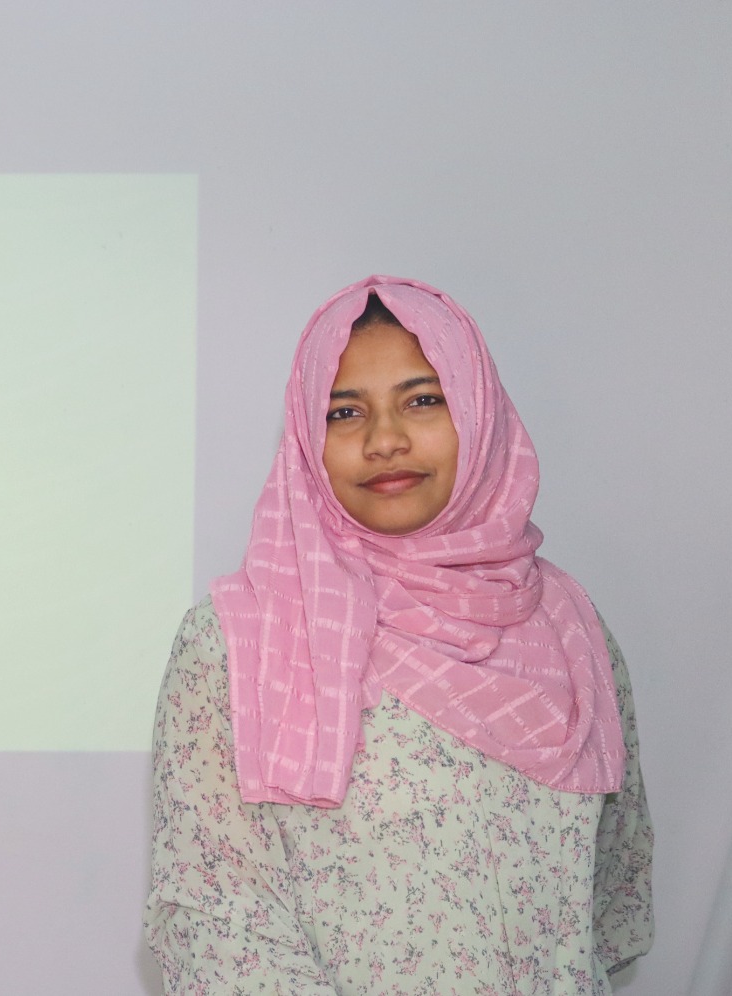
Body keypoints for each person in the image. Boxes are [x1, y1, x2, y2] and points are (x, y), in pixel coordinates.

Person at [144, 276, 653, 994]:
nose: (385, 440)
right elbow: (217, 917)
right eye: (345, 412)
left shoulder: (569, 627)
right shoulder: (237, 642)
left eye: (422, 400)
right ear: (307, 438)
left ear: (479, 413)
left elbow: (613, 890)